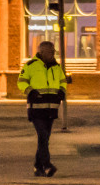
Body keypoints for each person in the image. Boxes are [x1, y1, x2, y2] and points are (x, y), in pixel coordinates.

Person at [18, 40, 68, 177]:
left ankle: (37, 166)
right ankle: (47, 165)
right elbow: (21, 82)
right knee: (43, 136)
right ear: (41, 52)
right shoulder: (30, 66)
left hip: (51, 108)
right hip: (36, 109)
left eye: (54, 51)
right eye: (50, 51)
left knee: (44, 139)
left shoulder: (56, 67)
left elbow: (63, 81)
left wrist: (62, 91)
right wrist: (30, 92)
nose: (53, 53)